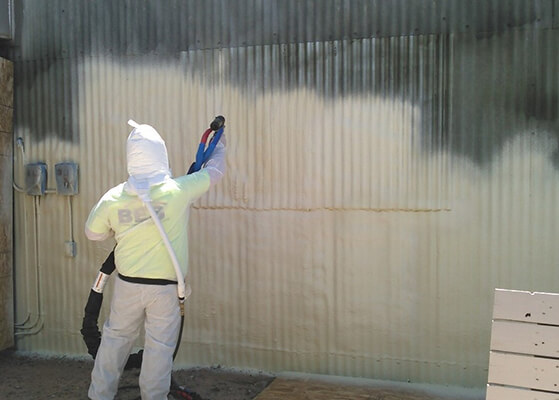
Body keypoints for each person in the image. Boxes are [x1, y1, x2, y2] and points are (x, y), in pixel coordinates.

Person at [84, 120, 226, 400]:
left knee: (114, 341)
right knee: (159, 348)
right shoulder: (178, 190)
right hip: (165, 289)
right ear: (161, 155)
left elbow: (92, 234)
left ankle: (99, 395)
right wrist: (219, 143)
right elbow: (216, 171)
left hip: (127, 286)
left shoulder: (113, 198)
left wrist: (121, 224)